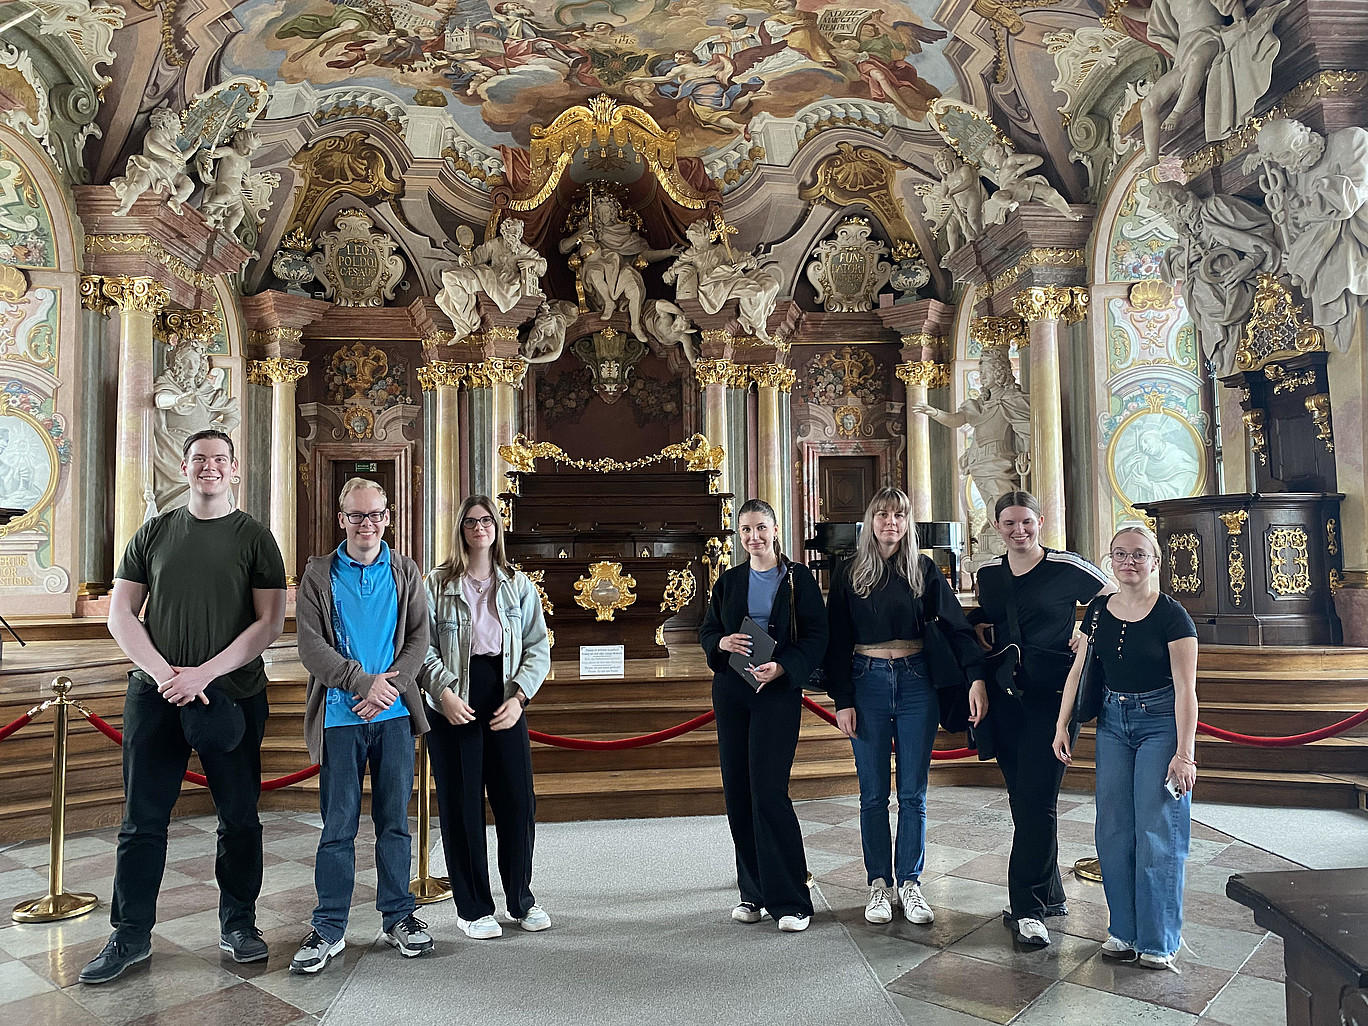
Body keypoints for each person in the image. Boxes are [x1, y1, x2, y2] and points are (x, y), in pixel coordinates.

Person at [81, 429, 286, 984]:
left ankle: (240, 923)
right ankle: (129, 935)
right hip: (156, 696)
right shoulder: (152, 533)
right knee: (141, 822)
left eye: (220, 459)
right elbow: (121, 614)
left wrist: (204, 673)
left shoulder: (256, 538)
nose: (209, 467)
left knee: (239, 818)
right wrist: (164, 674)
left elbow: (269, 622)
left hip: (232, 693)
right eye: (199, 459)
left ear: (235, 469)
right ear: (184, 466)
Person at [290, 478, 434, 974]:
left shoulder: (405, 569)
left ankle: (399, 916)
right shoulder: (318, 575)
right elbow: (310, 647)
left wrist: (388, 689)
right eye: (356, 516)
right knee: (338, 827)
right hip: (339, 719)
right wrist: (360, 684)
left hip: (393, 717)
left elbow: (419, 636)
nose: (366, 523)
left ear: (387, 518)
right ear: (341, 519)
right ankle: (329, 926)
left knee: (395, 822)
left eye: (374, 515)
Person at [826, 487, 987, 927]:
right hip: (866, 682)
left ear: (907, 522)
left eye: (898, 515)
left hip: (918, 683)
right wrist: (843, 700)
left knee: (913, 792)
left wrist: (975, 675)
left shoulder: (923, 569)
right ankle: (879, 883)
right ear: (870, 521)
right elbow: (837, 640)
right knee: (873, 793)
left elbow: (955, 625)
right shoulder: (848, 572)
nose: (890, 522)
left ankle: (910, 883)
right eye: (882, 514)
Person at [1053, 524, 1198, 970]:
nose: (1128, 562)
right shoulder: (1097, 610)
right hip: (1113, 723)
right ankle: (1124, 930)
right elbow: (1078, 672)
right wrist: (1063, 724)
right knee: (1113, 828)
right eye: (1120, 554)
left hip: (1159, 724)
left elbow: (1186, 690)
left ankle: (1158, 940)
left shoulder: (1174, 617)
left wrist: (1185, 752)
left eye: (1138, 554)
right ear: (1110, 560)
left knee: (1156, 831)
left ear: (1155, 561)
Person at [971, 491, 1111, 947]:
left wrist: (1084, 629)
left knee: (1037, 799)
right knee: (1023, 799)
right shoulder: (988, 574)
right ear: (997, 527)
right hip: (1006, 697)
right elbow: (984, 619)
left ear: (1040, 521)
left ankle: (1026, 909)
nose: (1019, 531)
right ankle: (1049, 892)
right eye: (1009, 523)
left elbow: (1114, 596)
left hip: (1054, 699)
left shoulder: (1067, 566)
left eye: (1026, 522)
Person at [420, 495, 551, 939]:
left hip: (504, 694)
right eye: (472, 521)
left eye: (487, 520)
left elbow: (538, 648)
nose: (480, 528)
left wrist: (519, 698)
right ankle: (472, 907)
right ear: (460, 528)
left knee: (518, 801)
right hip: (453, 699)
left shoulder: (518, 583)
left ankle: (521, 899)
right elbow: (421, 647)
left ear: (497, 527)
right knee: (462, 807)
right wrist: (443, 692)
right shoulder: (436, 583)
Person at [699, 499, 828, 933]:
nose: (753, 537)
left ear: (776, 530)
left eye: (760, 528)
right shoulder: (730, 580)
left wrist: (785, 667)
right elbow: (707, 629)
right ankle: (752, 892)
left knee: (769, 792)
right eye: (745, 530)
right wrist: (722, 644)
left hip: (776, 693)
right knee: (738, 791)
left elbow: (816, 636)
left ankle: (792, 899)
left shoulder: (799, 579)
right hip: (733, 691)